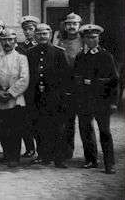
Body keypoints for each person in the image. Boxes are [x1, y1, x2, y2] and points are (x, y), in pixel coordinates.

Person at [74, 24, 119, 174]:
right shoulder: (81, 56)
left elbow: (114, 81)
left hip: (102, 100)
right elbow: (76, 78)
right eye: (88, 37)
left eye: (94, 37)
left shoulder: (106, 56)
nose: (91, 40)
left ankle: (109, 163)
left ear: (99, 38)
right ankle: (91, 159)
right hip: (85, 100)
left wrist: (113, 102)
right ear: (84, 39)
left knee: (105, 131)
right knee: (86, 130)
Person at [26, 23, 69, 169]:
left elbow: (65, 77)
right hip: (36, 95)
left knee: (57, 127)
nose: (42, 36)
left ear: (50, 35)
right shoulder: (30, 52)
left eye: (45, 33)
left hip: (54, 96)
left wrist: (63, 97)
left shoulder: (58, 52)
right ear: (35, 35)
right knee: (38, 125)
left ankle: (59, 158)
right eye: (39, 34)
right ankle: (43, 155)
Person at [0, 29, 29, 168]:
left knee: (14, 129)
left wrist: (10, 93)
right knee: (2, 128)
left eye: (10, 40)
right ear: (0, 42)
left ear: (15, 42)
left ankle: (14, 156)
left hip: (15, 99)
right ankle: (6, 154)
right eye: (4, 40)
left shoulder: (21, 58)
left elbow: (24, 79)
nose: (7, 42)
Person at [56, 12, 83, 160]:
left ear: (79, 26)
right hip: (65, 85)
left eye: (74, 24)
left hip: (82, 87)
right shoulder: (60, 42)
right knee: (67, 121)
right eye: (69, 24)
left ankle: (90, 156)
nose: (71, 26)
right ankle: (67, 151)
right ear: (65, 26)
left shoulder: (84, 41)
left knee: (86, 122)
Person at [16, 14, 39, 158]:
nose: (28, 32)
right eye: (25, 30)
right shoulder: (20, 47)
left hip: (37, 88)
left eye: (30, 29)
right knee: (24, 120)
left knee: (38, 119)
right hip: (24, 88)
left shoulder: (39, 46)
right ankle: (30, 148)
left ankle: (43, 149)